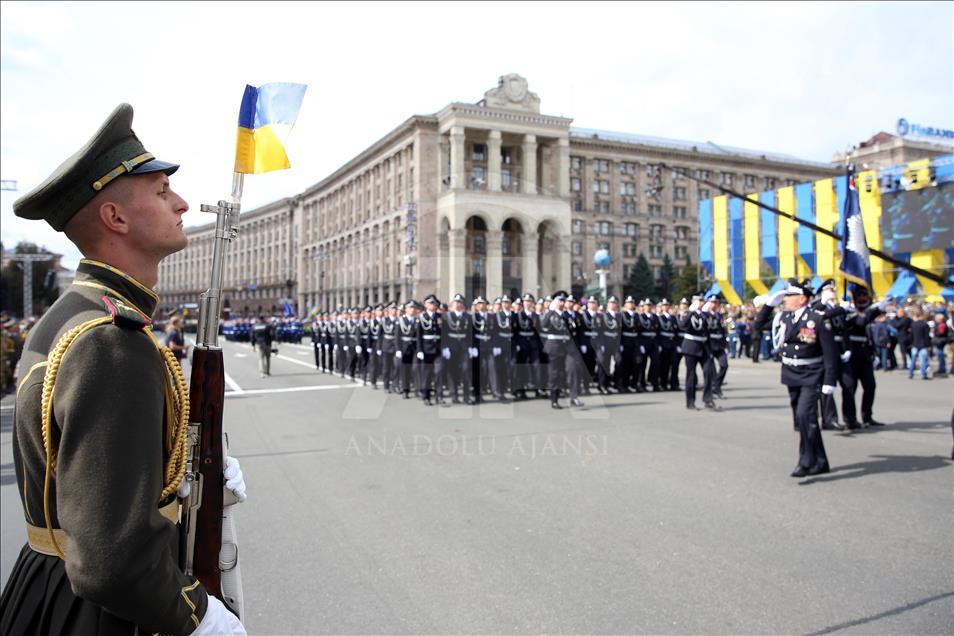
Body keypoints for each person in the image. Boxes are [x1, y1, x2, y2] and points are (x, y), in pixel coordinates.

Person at [1, 104, 245, 634]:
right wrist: (198, 618)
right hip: (101, 615)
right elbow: (114, 560)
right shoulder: (110, 341)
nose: (181, 203)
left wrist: (178, 473)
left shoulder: (74, 313)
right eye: (161, 192)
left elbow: (80, 474)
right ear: (116, 218)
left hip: (49, 587)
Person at [753, 279, 838, 478]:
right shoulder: (784, 317)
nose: (785, 299)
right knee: (806, 421)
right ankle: (821, 461)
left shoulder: (817, 318)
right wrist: (768, 305)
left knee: (803, 415)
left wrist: (830, 381)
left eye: (789, 296)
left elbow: (830, 353)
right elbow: (758, 325)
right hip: (791, 373)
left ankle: (805, 460)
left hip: (811, 373)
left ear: (802, 299)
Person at [909, 309, 932, 380]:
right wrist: (929, 345)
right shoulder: (925, 325)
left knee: (913, 360)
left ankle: (911, 373)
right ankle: (923, 374)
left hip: (915, 344)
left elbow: (911, 335)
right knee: (923, 361)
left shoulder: (913, 324)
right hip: (923, 344)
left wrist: (911, 343)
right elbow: (927, 336)